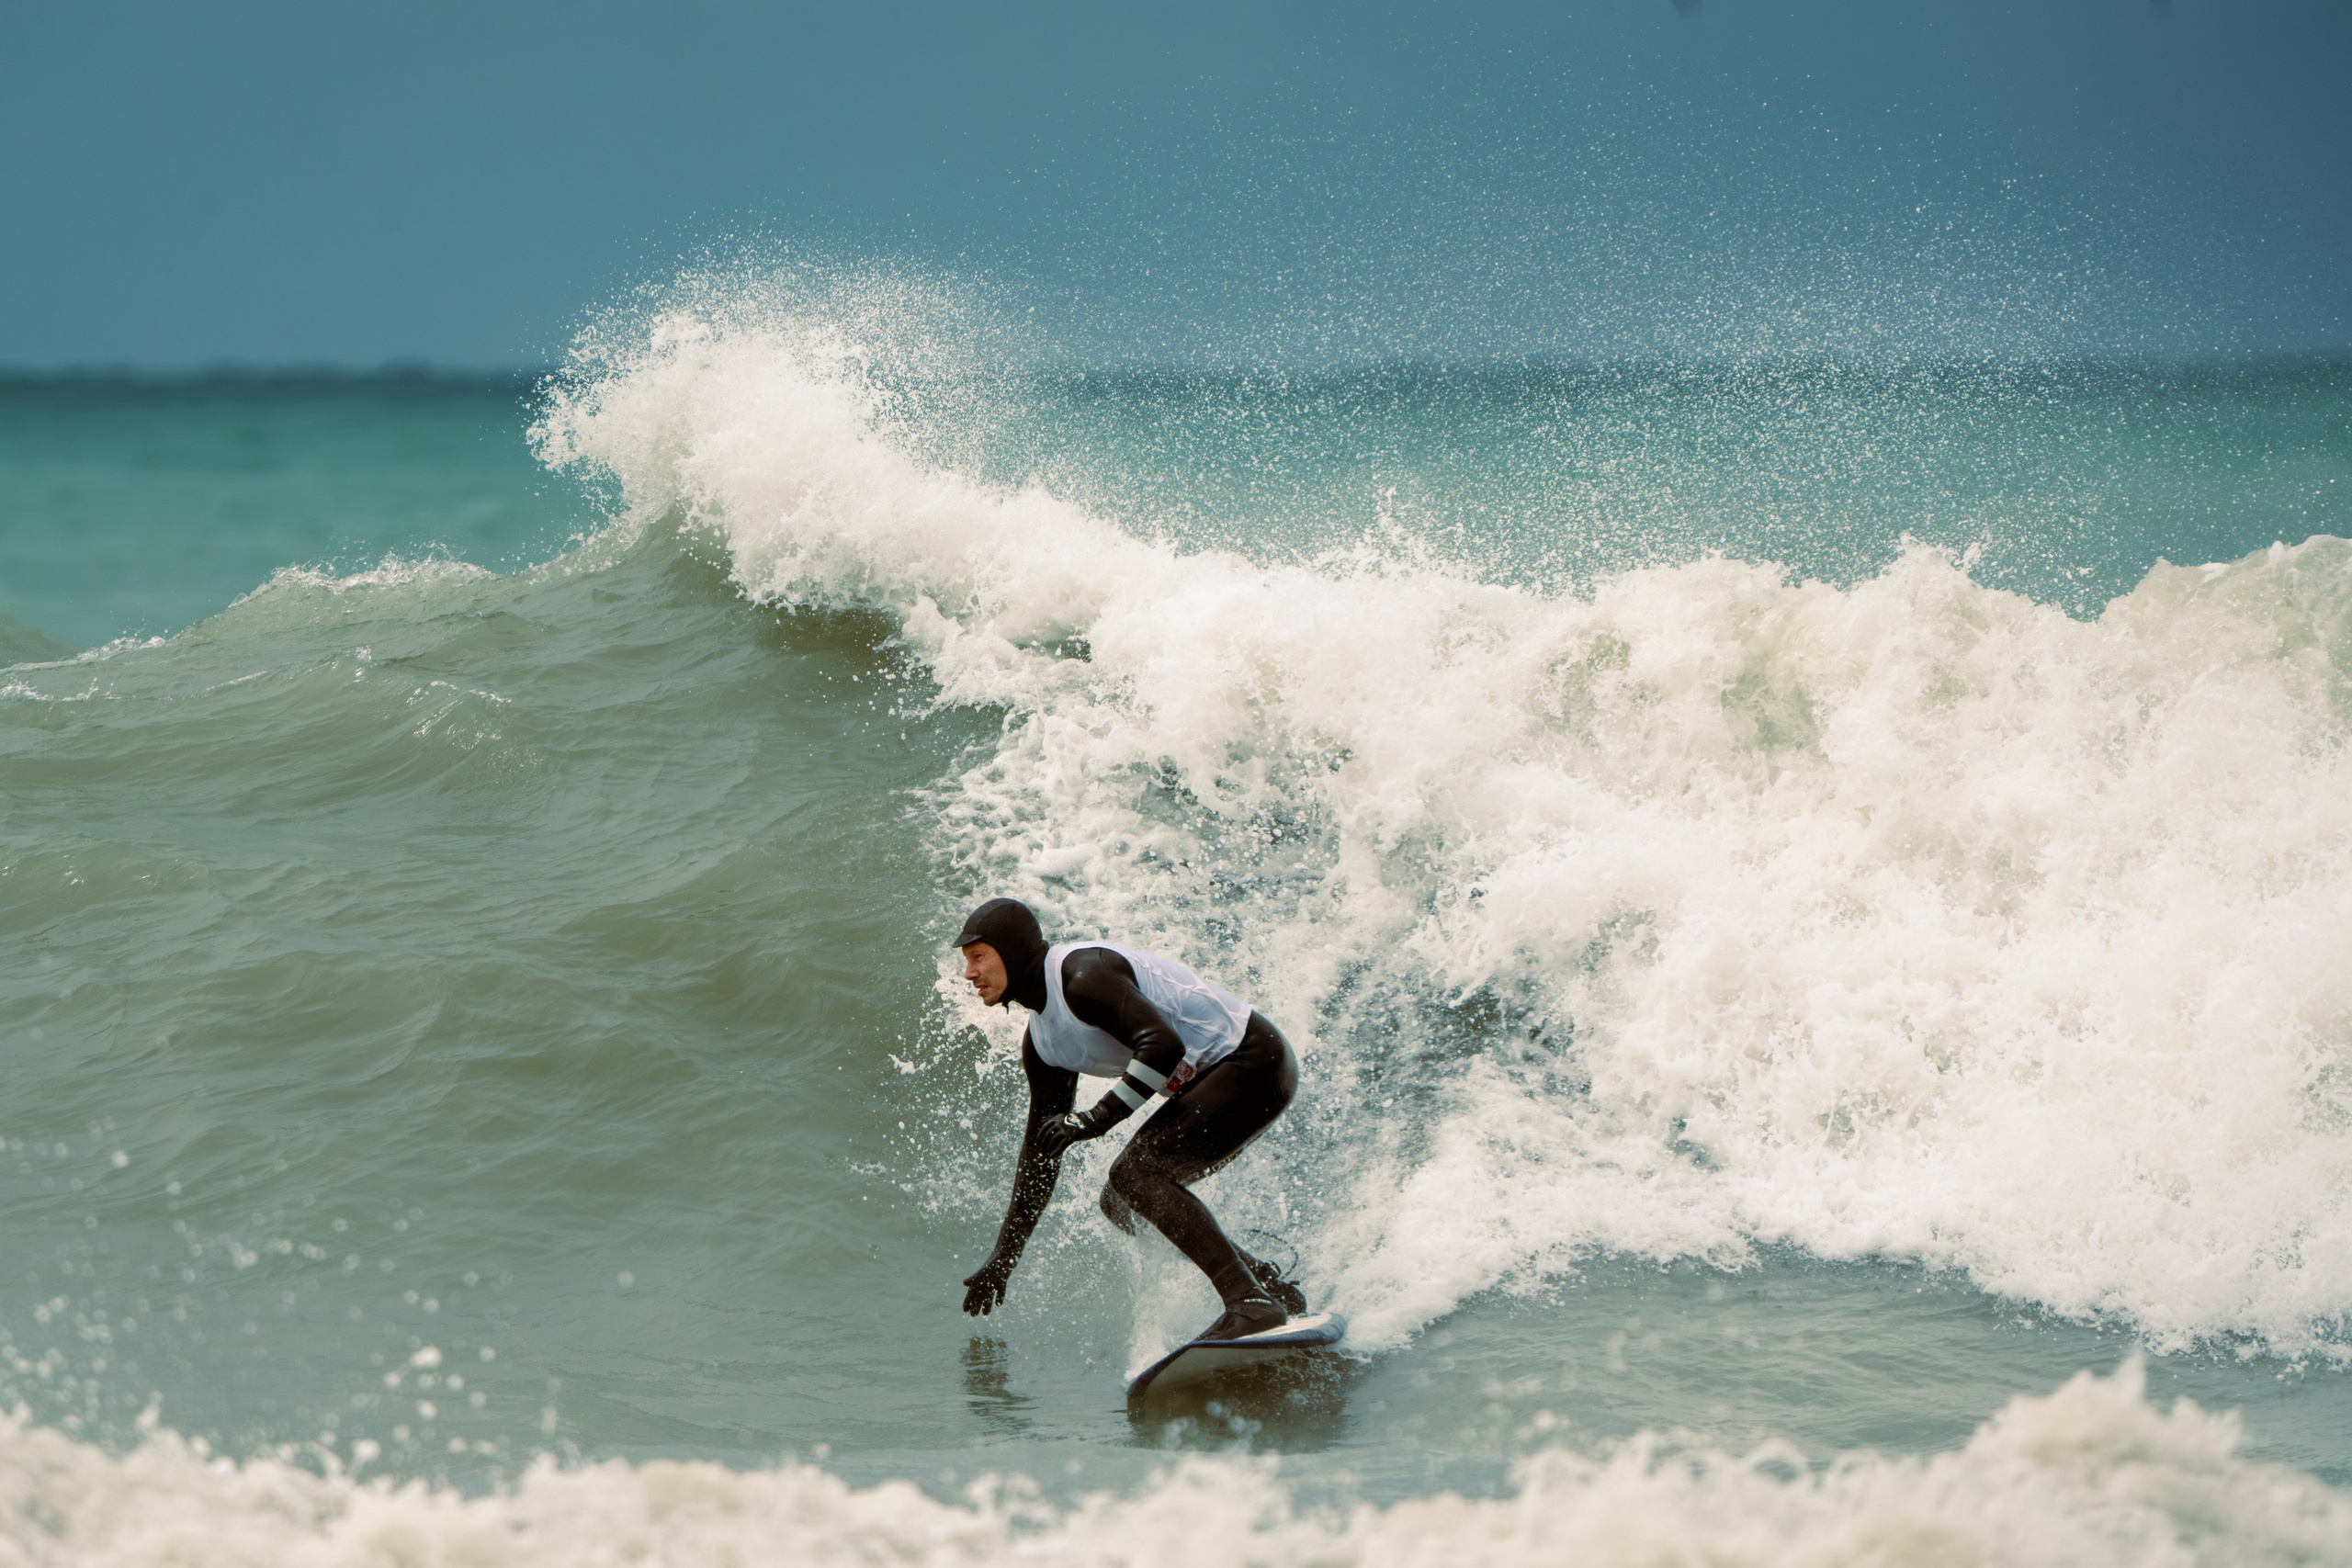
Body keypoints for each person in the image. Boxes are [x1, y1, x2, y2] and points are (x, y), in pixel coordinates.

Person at [952, 897, 1306, 1341]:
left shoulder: (1080, 976)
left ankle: (1249, 1302)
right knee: (1119, 1202)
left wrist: (1097, 1118)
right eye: (967, 961)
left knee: (1137, 1175)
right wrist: (1004, 1257)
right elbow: (1040, 1155)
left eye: (978, 956)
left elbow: (1162, 1046)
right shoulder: (1044, 1044)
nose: (969, 974)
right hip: (1219, 1080)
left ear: (1012, 950)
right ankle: (1262, 1284)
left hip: (1253, 1060)